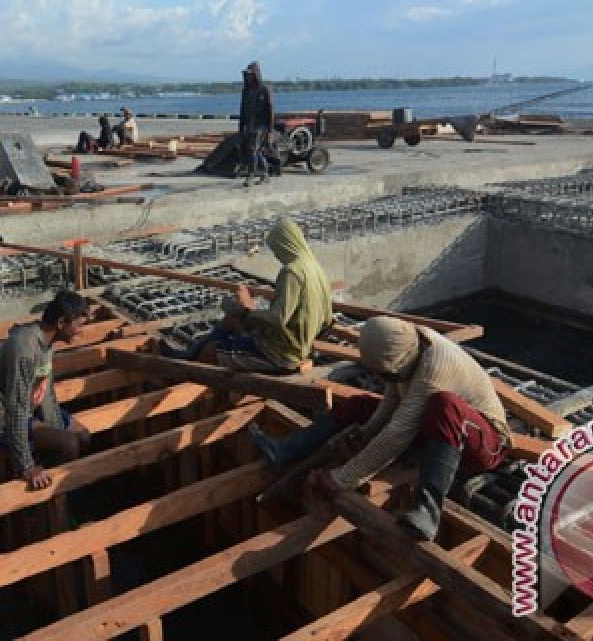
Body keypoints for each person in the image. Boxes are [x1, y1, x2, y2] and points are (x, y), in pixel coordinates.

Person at [252, 315, 510, 542]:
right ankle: (286, 449)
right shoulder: (408, 345)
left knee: (445, 406)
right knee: (361, 405)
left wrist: (343, 478)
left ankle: (428, 512)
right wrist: (366, 431)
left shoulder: (435, 367)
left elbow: (397, 433)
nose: (382, 379)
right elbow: (392, 401)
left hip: (484, 445)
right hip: (439, 428)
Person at [163, 218, 332, 374]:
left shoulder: (292, 272)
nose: (277, 255)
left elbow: (278, 319)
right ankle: (188, 354)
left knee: (212, 351)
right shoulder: (316, 269)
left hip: (280, 354)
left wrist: (245, 312)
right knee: (232, 321)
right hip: (299, 348)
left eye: (276, 249)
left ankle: (180, 368)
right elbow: (327, 321)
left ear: (285, 244)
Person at [0, 290, 94, 490]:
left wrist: (55, 428)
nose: (81, 331)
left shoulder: (47, 341)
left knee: (83, 436)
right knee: (69, 444)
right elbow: (16, 408)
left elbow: (47, 394)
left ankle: (58, 478)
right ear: (61, 322)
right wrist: (26, 465)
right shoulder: (25, 349)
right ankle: (57, 496)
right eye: (79, 326)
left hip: (29, 410)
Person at [239, 61, 274, 186]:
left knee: (253, 150)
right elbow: (242, 110)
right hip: (249, 125)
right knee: (256, 152)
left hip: (262, 126)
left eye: (250, 74)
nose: (248, 77)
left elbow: (270, 111)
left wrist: (270, 131)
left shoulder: (265, 90)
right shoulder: (246, 91)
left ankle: (251, 176)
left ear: (255, 75)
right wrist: (241, 128)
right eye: (246, 75)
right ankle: (265, 174)